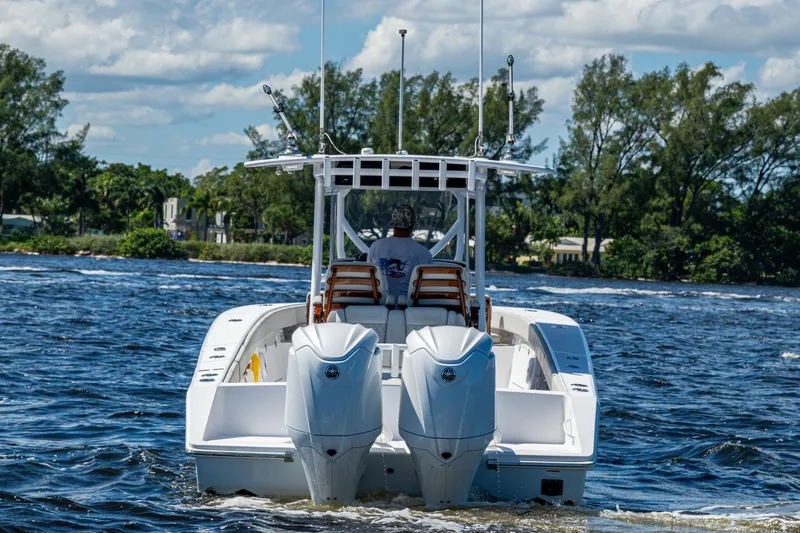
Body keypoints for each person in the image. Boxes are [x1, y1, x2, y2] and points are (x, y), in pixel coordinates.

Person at [368, 205, 433, 297]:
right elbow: (427, 288)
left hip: (380, 303)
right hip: (409, 304)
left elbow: (370, 280)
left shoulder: (375, 247)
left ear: (393, 224)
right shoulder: (424, 253)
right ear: (412, 226)